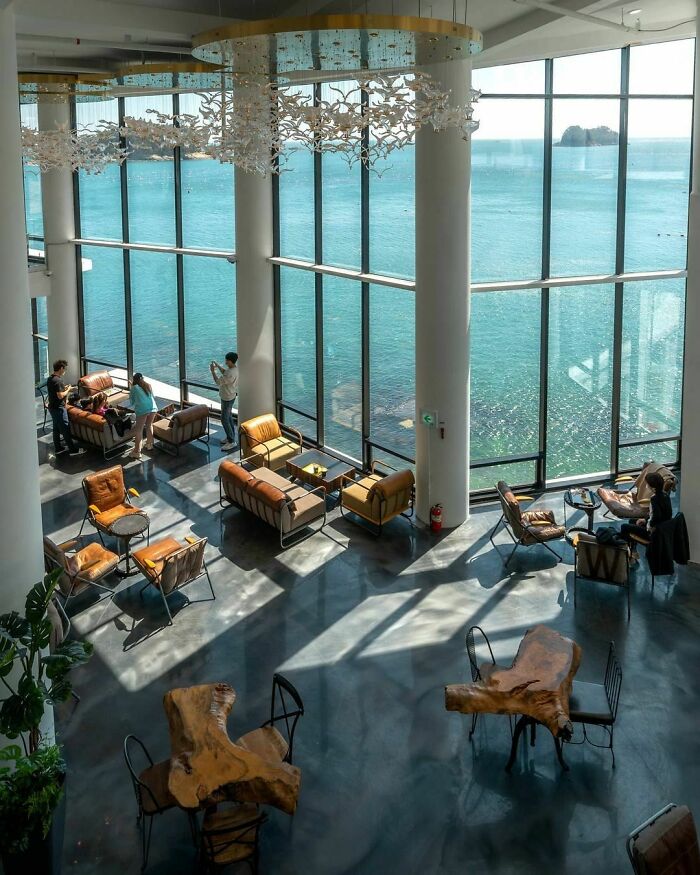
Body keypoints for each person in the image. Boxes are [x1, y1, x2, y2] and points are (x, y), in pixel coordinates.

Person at [619, 470, 672, 560]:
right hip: (663, 529)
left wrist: (648, 526)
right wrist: (645, 520)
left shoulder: (654, 499)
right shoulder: (665, 495)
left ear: (653, 487)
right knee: (632, 521)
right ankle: (633, 550)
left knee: (624, 527)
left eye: (647, 484)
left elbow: (656, 517)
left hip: (654, 533)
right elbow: (661, 514)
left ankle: (624, 553)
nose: (646, 486)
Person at [47, 359, 80, 456]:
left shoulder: (51, 379)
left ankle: (58, 448)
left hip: (52, 407)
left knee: (56, 428)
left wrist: (65, 388)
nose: (65, 371)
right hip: (59, 408)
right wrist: (69, 389)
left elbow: (57, 391)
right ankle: (73, 450)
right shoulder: (58, 380)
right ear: (61, 368)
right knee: (65, 428)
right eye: (64, 369)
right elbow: (60, 396)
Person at [210, 352, 239, 452]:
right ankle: (230, 436)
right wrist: (218, 366)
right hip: (231, 396)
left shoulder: (230, 373)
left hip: (227, 398)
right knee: (229, 417)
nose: (225, 362)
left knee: (224, 419)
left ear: (230, 361)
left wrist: (213, 371)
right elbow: (225, 373)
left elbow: (218, 382)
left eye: (227, 360)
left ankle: (231, 441)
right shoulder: (234, 369)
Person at [128, 372, 157, 460]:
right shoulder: (148, 385)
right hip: (153, 408)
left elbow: (132, 402)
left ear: (134, 380)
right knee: (149, 425)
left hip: (142, 410)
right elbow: (153, 396)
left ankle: (137, 452)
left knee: (139, 430)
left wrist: (131, 388)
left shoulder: (134, 388)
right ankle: (149, 444)